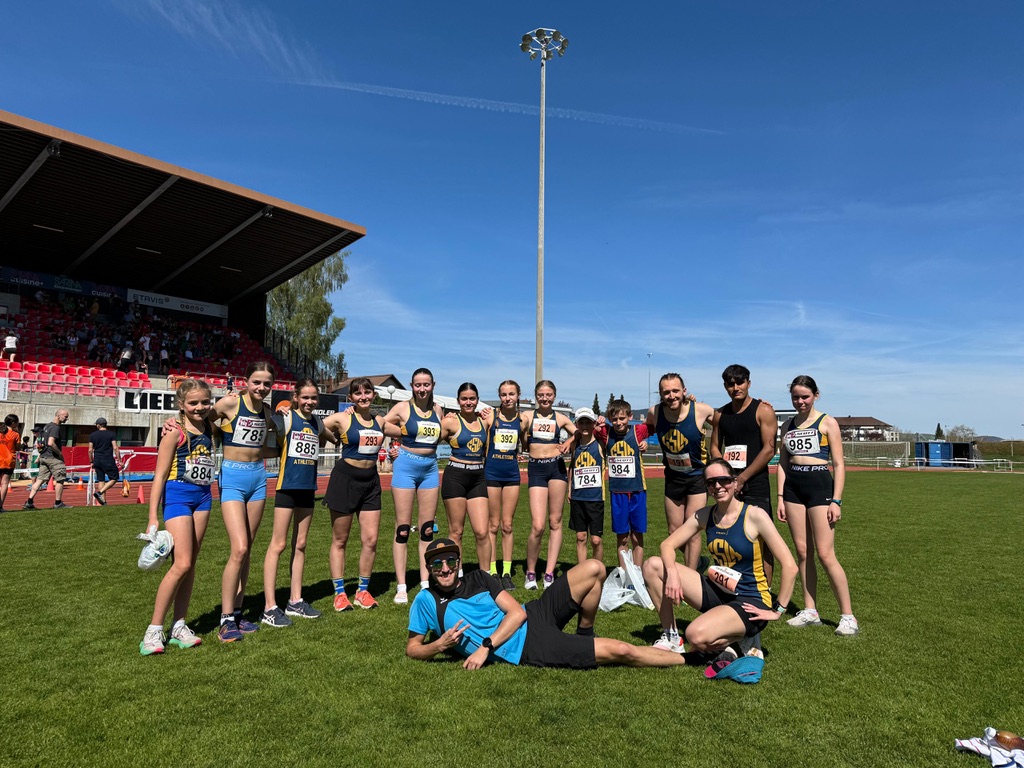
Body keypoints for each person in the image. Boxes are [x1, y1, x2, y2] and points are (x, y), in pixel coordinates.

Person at [406, 538, 687, 670]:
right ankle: (686, 658)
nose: (445, 569)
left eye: (451, 562)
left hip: (533, 612)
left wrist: (484, 648)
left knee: (594, 567)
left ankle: (585, 632)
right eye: (437, 564)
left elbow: (516, 613)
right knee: (622, 650)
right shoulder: (426, 601)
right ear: (429, 568)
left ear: (458, 563)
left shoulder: (479, 577)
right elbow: (412, 649)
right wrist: (438, 646)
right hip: (529, 647)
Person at [642, 459, 797, 664]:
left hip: (751, 600)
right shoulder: (706, 515)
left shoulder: (755, 515)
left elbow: (790, 566)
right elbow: (667, 545)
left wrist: (777, 610)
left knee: (696, 636)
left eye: (723, 480)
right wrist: (671, 574)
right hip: (720, 590)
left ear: (734, 483)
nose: (717, 486)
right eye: (711, 482)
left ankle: (742, 637)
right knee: (652, 565)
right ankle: (671, 637)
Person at [777, 375, 859, 636]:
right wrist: (780, 496)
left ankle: (848, 616)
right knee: (803, 552)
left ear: (816, 395)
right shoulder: (787, 425)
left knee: (825, 553)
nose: (800, 401)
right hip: (793, 489)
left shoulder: (827, 422)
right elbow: (782, 462)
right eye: (795, 397)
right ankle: (810, 610)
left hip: (820, 487)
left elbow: (839, 464)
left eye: (805, 397)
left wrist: (837, 500)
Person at [140, 379, 216, 655]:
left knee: (191, 563)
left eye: (204, 402)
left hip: (204, 498)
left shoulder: (210, 426)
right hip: (177, 497)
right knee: (181, 563)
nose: (199, 407)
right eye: (193, 403)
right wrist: (152, 516)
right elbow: (159, 475)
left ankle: (179, 626)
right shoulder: (174, 431)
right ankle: (153, 630)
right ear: (181, 405)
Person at [211, 362, 278, 642]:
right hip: (233, 478)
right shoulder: (229, 404)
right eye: (256, 382)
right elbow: (198, 416)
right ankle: (225, 619)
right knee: (238, 548)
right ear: (246, 381)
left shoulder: (267, 411)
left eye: (266, 384)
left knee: (247, 548)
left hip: (258, 478)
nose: (261, 388)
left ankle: (238, 612)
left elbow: (267, 444)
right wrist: (174, 423)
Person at [261, 379, 331, 627]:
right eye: (305, 397)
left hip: (308, 489)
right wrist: (276, 411)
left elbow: (329, 437)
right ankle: (270, 607)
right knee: (278, 544)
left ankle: (295, 601)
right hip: (286, 488)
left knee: (300, 544)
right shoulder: (286, 418)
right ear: (296, 397)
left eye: (313, 398)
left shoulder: (317, 422)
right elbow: (265, 423)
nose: (310, 402)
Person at [710, 364, 778, 585]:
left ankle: (765, 593)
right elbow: (714, 447)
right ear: (725, 386)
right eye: (730, 384)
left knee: (762, 539)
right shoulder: (720, 414)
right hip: (729, 485)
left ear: (749, 383)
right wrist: (725, 475)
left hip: (755, 484)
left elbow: (769, 449)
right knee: (732, 537)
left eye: (740, 382)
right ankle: (733, 589)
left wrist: (743, 478)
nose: (735, 387)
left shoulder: (763, 410)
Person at [322, 377, 385, 611]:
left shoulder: (380, 419)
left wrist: (440, 412)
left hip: (371, 483)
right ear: (351, 398)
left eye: (367, 392)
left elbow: (405, 427)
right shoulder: (343, 417)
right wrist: (333, 437)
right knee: (340, 539)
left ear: (373, 395)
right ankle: (340, 593)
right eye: (357, 394)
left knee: (371, 540)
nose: (363, 397)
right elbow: (316, 424)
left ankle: (362, 591)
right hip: (345, 480)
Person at [382, 368, 444, 604]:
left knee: (427, 529)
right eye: (417, 385)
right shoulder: (402, 408)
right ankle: (401, 586)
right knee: (403, 529)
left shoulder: (438, 409)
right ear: (411, 386)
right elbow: (379, 424)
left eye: (426, 384)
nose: (422, 389)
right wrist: (394, 444)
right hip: (406, 468)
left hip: (429, 468)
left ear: (433, 385)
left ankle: (426, 583)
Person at [645, 373, 715, 569]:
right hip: (673, 478)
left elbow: (727, 424)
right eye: (666, 392)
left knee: (692, 530)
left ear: (684, 391)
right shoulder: (654, 413)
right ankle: (698, 562)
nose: (671, 396)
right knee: (674, 530)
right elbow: (644, 430)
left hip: (697, 478)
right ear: (660, 394)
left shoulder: (701, 410)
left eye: (676, 391)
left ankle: (690, 577)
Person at [521, 380, 577, 590]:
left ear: (554, 396)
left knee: (555, 522)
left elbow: (578, 431)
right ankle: (531, 571)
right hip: (536, 469)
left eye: (549, 395)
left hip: (556, 468)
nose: (545, 398)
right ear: (536, 396)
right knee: (538, 525)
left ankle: (549, 573)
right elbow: (514, 423)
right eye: (541, 395)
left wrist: (568, 443)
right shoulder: (528, 415)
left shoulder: (560, 418)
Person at [438, 383, 490, 575]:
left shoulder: (485, 421)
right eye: (464, 399)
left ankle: (486, 577)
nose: (468, 402)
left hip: (478, 477)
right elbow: (429, 442)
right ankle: (456, 575)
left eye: (472, 398)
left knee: (482, 532)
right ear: (458, 400)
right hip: (456, 476)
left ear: (477, 399)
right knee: (456, 532)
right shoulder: (450, 422)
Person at [595, 399, 651, 567]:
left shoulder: (638, 431)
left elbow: (656, 420)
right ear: (609, 419)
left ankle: (638, 573)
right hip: (617, 492)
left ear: (630, 416)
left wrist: (645, 443)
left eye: (622, 418)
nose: (618, 423)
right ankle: (624, 573)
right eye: (614, 419)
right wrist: (597, 421)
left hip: (637, 490)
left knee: (636, 536)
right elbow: (585, 427)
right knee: (622, 536)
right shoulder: (606, 433)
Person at [482, 380, 524, 590]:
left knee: (507, 525)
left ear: (518, 395)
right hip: (491, 474)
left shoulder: (522, 420)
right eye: (504, 394)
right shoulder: (491, 416)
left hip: (512, 476)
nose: (507, 398)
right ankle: (492, 571)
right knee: (493, 525)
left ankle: (507, 571)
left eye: (511, 394)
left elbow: (528, 442)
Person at [566, 407, 605, 564]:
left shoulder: (601, 444)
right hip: (578, 497)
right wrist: (569, 489)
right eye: (581, 422)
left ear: (593, 424)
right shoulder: (575, 445)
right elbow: (572, 468)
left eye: (588, 422)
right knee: (580, 536)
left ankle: (598, 571)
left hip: (595, 498)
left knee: (596, 540)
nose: (584, 426)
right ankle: (582, 571)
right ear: (576, 425)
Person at [23, 409, 71, 510]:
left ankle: (29, 502)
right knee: (60, 479)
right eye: (65, 416)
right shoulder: (55, 428)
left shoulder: (46, 426)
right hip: (53, 458)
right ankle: (58, 503)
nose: (67, 419)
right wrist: (60, 453)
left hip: (44, 457)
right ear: (58, 416)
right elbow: (50, 442)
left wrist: (41, 455)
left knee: (39, 480)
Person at [88, 417, 121, 506]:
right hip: (108, 459)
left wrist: (91, 461)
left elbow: (90, 450)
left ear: (99, 425)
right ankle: (100, 493)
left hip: (97, 459)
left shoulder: (93, 435)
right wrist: (120, 460)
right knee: (114, 478)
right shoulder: (111, 434)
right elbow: (115, 447)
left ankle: (102, 501)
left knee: (101, 479)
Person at [0, 414, 21, 512]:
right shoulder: (15, 434)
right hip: (8, 461)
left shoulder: (0, 432)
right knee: (4, 483)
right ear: (13, 423)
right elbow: (18, 448)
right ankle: (0, 506)